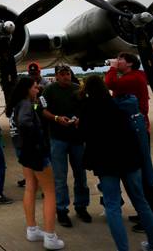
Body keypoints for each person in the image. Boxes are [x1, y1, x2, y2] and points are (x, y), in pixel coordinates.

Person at [79, 76, 153, 251]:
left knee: (112, 206)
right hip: (129, 157)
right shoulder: (119, 103)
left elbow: (83, 134)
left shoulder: (87, 107)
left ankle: (123, 249)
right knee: (141, 202)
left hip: (105, 161)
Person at [105, 52, 153, 233]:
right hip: (132, 129)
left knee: (144, 174)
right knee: (137, 173)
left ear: (129, 64)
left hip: (136, 131)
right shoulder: (133, 76)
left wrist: (112, 67)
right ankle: (144, 212)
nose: (117, 61)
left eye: (121, 59)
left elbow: (110, 83)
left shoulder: (133, 78)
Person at [7, 77, 64, 250]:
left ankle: (32, 229)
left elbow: (22, 123)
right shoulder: (25, 104)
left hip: (24, 151)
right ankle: (50, 236)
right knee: (50, 191)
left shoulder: (18, 104)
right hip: (35, 152)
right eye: (34, 87)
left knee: (30, 186)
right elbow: (25, 123)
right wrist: (38, 139)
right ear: (27, 89)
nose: (37, 90)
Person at [40, 65, 90, 228]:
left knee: (81, 176)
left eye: (67, 73)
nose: (65, 77)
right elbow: (43, 110)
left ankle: (81, 207)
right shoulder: (49, 90)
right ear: (56, 76)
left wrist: (79, 119)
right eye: (62, 74)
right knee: (60, 178)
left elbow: (85, 110)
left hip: (77, 139)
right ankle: (61, 210)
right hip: (58, 139)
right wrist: (55, 118)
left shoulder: (78, 89)